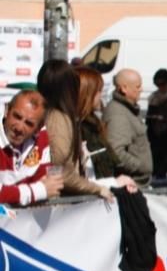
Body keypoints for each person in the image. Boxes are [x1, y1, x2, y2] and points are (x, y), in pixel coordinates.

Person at [36, 59, 113, 200]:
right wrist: (97, 189)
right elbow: (59, 172)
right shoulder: (57, 119)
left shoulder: (58, 116)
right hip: (54, 204)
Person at [1, 90, 63, 206]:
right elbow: (42, 189)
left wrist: (13, 193)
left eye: (29, 123)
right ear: (7, 111)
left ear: (39, 127)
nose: (19, 128)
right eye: (17, 117)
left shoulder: (43, 137)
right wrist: (36, 191)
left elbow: (53, 184)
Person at [76, 67, 130, 183]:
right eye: (98, 91)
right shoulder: (79, 127)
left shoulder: (94, 122)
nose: (101, 95)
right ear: (86, 93)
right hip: (93, 194)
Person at [103, 68, 154, 186]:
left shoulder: (128, 110)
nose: (141, 89)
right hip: (130, 185)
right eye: (138, 86)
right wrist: (139, 166)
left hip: (137, 182)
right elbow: (115, 151)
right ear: (124, 88)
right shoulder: (118, 114)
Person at [146, 68, 167, 182]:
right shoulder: (154, 98)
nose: (160, 87)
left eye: (162, 84)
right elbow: (150, 120)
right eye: (157, 84)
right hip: (157, 139)